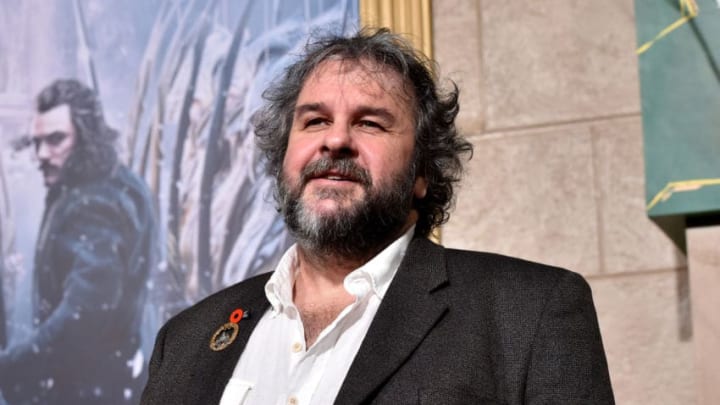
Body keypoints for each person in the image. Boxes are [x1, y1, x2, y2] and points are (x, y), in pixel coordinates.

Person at [141, 28, 614, 404]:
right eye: (314, 121)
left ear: (422, 172)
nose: (335, 140)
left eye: (370, 122)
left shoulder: (531, 313)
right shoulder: (185, 342)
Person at [0, 79, 157, 404]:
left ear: (86, 136)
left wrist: (12, 366)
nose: (42, 154)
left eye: (56, 140)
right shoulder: (118, 183)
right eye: (37, 142)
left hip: (87, 391)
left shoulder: (92, 205)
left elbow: (82, 318)